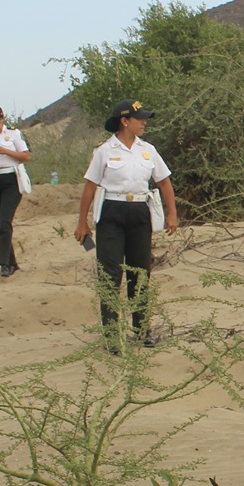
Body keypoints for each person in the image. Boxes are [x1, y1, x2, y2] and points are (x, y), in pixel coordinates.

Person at [75, 99, 178, 348]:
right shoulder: (104, 151)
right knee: (110, 274)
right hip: (111, 211)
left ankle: (142, 330)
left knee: (140, 273)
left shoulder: (148, 150)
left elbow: (164, 181)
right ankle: (112, 335)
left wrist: (172, 213)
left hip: (139, 213)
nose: (144, 122)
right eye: (139, 118)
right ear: (124, 121)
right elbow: (90, 186)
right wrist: (82, 223)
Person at [0, 104, 30, 278]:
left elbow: (25, 156)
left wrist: (5, 151)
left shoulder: (13, 134)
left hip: (10, 179)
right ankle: (12, 263)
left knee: (5, 221)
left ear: (3, 118)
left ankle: (3, 263)